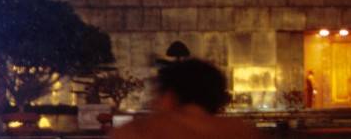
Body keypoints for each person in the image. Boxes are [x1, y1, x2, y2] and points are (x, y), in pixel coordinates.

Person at [110, 58, 260, 139]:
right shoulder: (243, 132)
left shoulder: (138, 132)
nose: (154, 102)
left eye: (157, 93)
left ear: (169, 97)